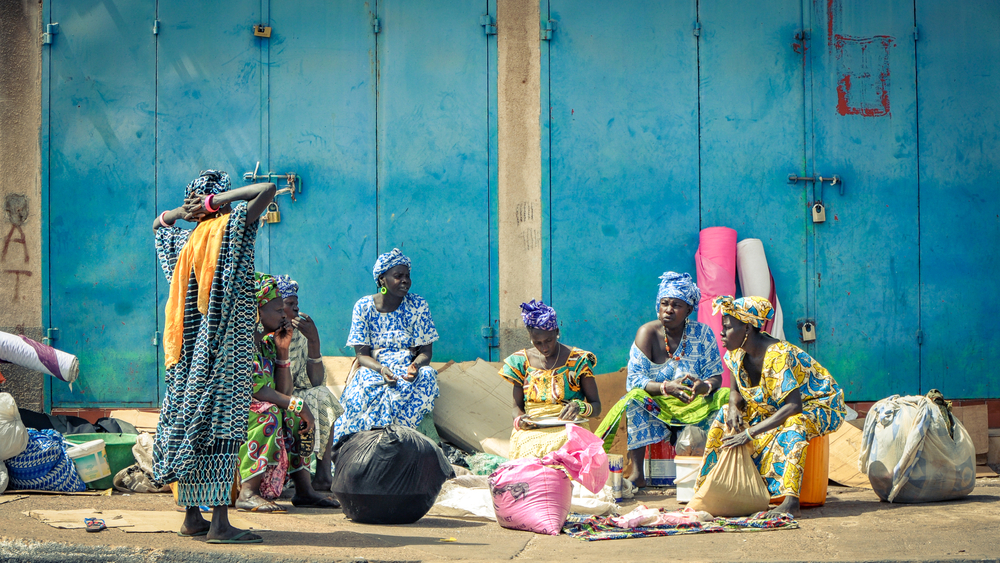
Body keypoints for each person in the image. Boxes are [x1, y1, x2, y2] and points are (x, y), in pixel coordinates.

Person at [152, 170, 274, 544]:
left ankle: (192, 517)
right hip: (226, 357)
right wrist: (216, 204)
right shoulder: (230, 229)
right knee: (222, 433)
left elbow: (158, 223)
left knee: (193, 428)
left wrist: (183, 211)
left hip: (184, 361)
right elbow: (267, 190)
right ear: (217, 201)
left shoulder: (184, 243)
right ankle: (219, 524)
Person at [696, 295, 846, 517]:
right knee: (726, 414)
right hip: (771, 406)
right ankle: (711, 488)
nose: (722, 333)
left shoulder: (778, 355)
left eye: (727, 328)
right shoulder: (736, 353)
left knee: (795, 424)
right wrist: (734, 406)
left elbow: (794, 407)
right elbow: (736, 391)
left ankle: (790, 501)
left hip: (817, 405)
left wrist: (750, 432)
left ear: (747, 328)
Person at [611, 272, 728, 488]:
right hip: (658, 405)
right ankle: (638, 474)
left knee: (726, 397)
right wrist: (666, 388)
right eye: (664, 303)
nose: (668, 310)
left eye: (676, 305)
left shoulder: (702, 334)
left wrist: (705, 386)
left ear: (689, 310)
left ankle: (714, 472)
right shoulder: (647, 332)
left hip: (694, 404)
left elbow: (716, 377)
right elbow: (635, 379)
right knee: (634, 399)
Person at [235, 273, 340, 512]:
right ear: (256, 312)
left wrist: (282, 352)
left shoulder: (268, 342)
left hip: (257, 402)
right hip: (236, 407)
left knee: (292, 414)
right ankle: (248, 492)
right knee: (270, 413)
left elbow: (283, 390)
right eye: (278, 310)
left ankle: (304, 490)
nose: (284, 315)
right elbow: (258, 390)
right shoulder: (241, 342)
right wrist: (297, 404)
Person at [332, 248, 440, 443]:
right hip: (375, 366)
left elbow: (426, 352)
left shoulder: (418, 305)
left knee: (428, 376)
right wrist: (382, 369)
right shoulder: (363, 307)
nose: (405, 281)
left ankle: (397, 435)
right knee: (365, 382)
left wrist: (415, 366)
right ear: (382, 279)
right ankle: (360, 439)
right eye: (398, 276)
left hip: (407, 367)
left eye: (407, 276)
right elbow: (362, 355)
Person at [500, 300, 602, 459]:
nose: (544, 348)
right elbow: (516, 408)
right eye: (537, 343)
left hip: (570, 426)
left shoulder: (578, 360)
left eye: (548, 340)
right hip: (534, 429)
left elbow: (597, 407)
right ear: (530, 337)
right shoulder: (521, 362)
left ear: (556, 332)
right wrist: (520, 420)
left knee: (567, 444)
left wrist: (580, 407)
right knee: (527, 448)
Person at [275, 274, 344, 491]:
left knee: (322, 396)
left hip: (296, 395)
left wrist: (314, 341)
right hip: (273, 396)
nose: (296, 310)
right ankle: (291, 478)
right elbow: (279, 389)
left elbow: (315, 382)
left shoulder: (299, 334)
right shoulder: (264, 334)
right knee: (296, 404)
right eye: (289, 305)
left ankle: (323, 475)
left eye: (297, 304)